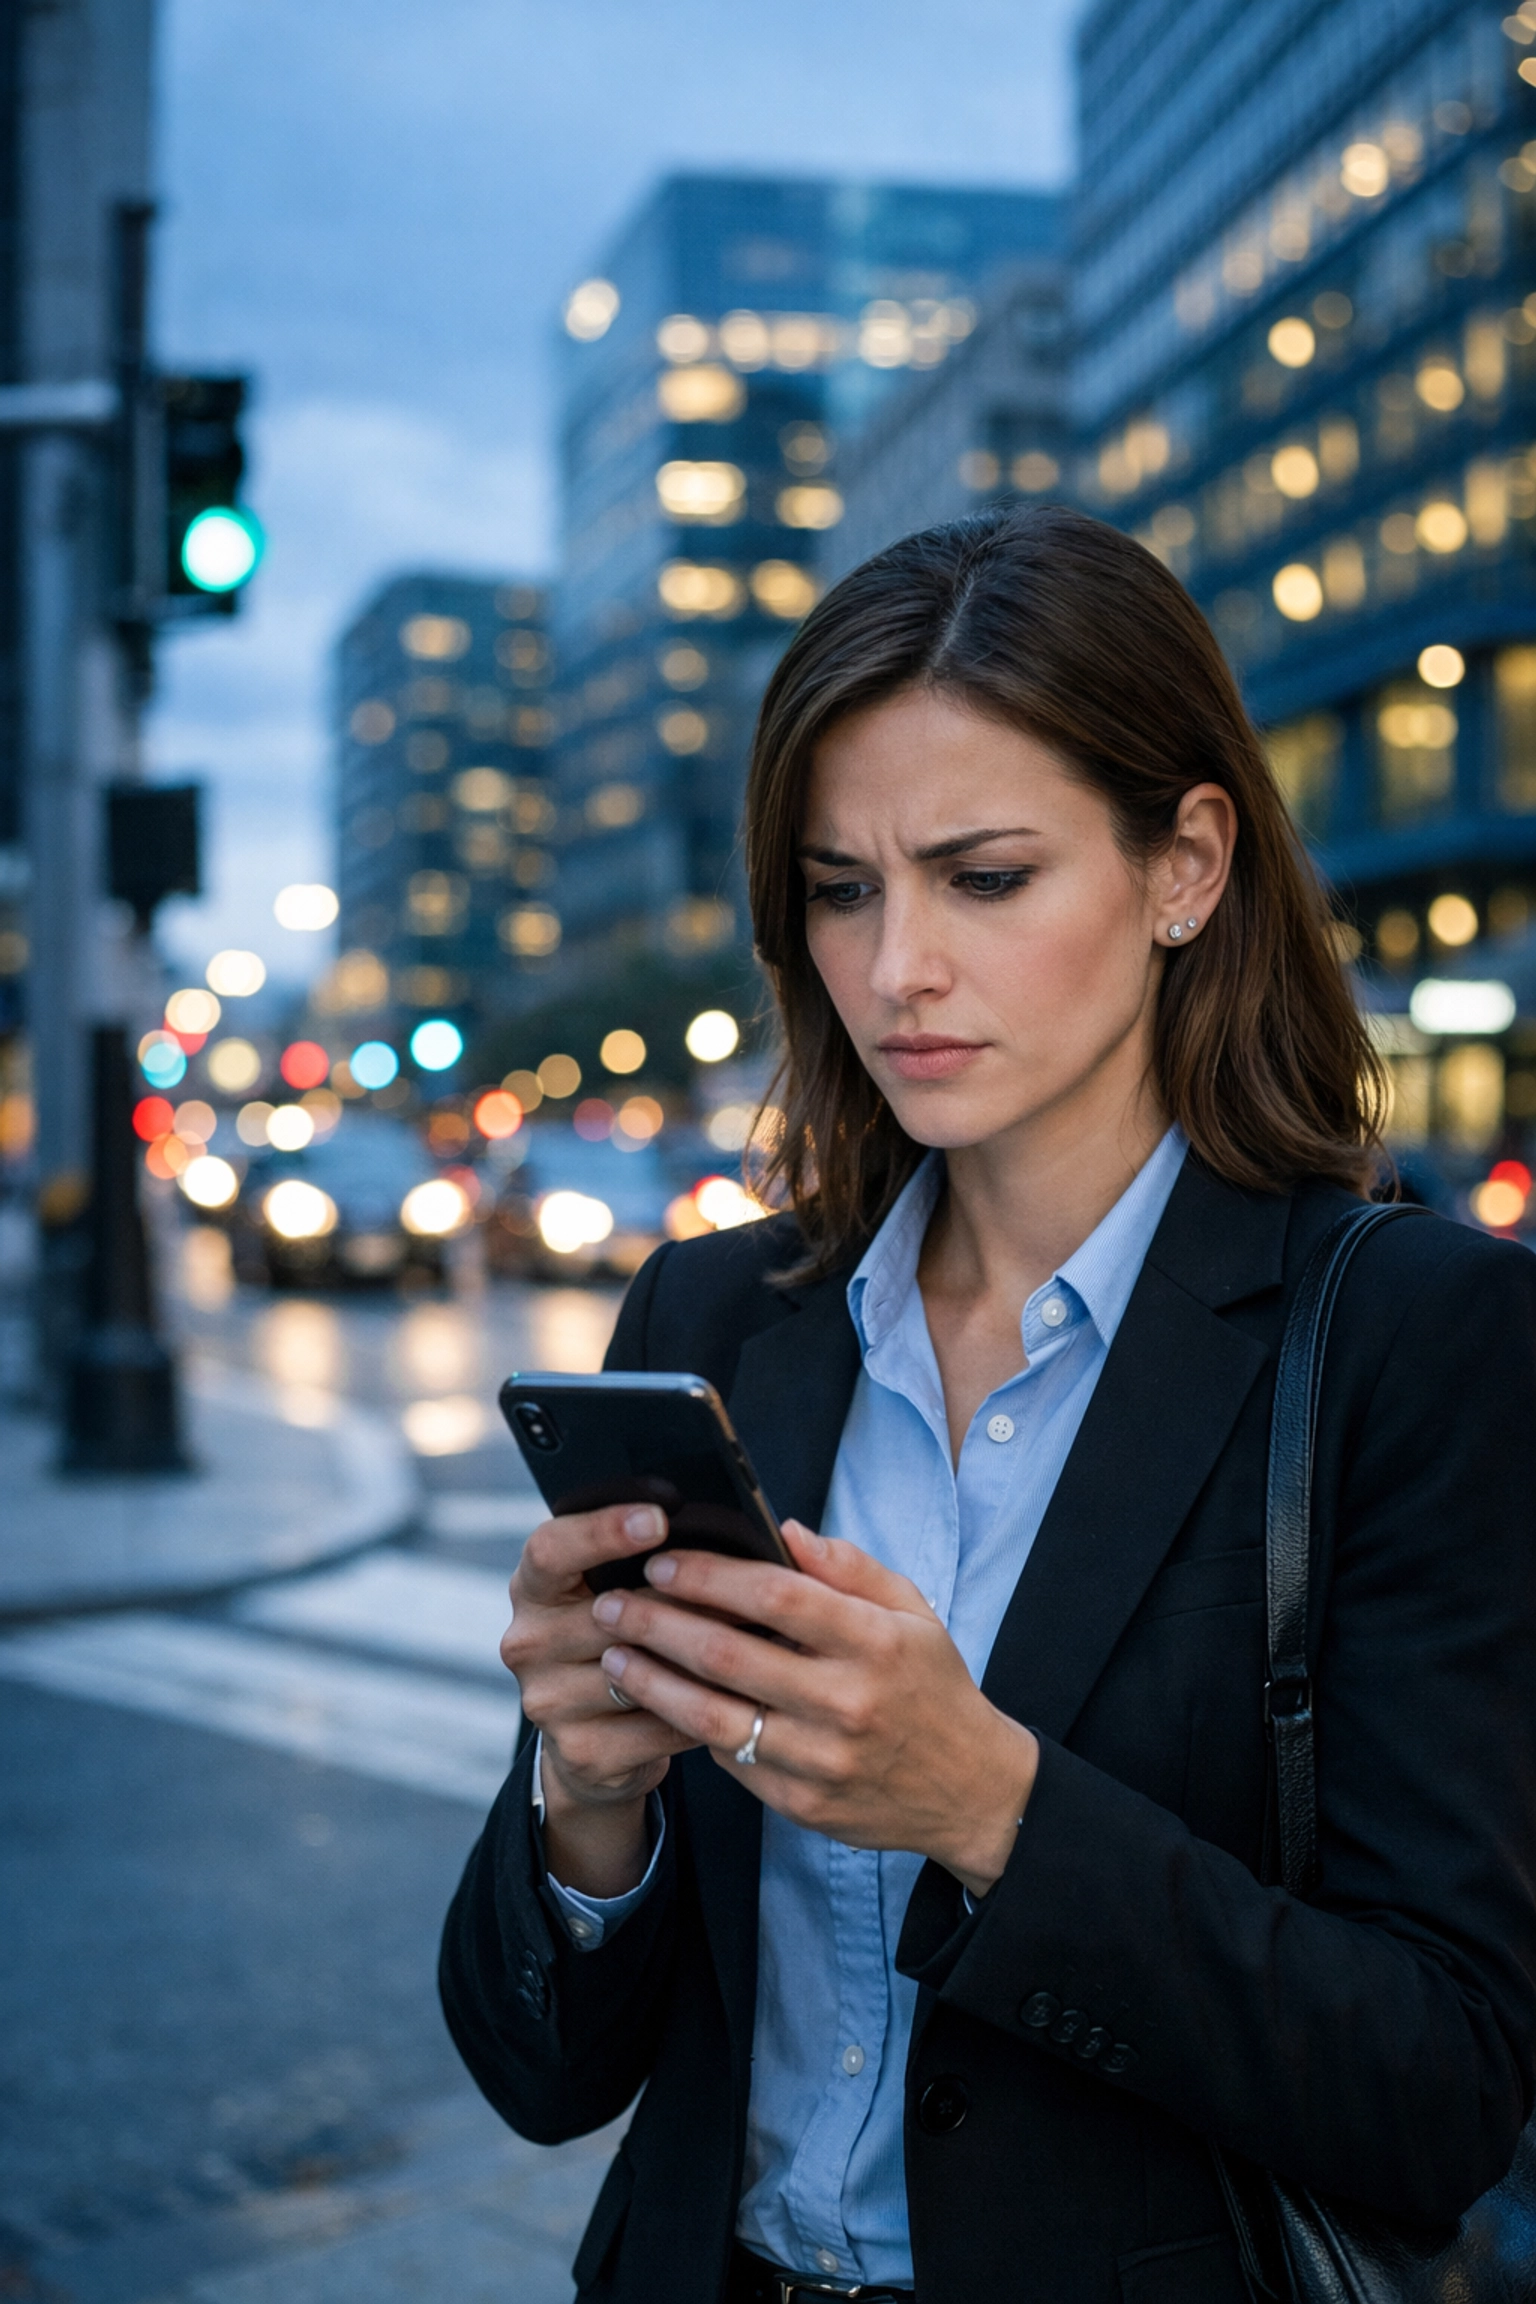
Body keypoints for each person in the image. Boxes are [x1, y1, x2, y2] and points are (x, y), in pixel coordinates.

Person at [440, 506, 1536, 2304]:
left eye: (987, 877)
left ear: (1186, 866)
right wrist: (589, 1800)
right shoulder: (719, 1314)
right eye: (842, 887)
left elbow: (1443, 2090)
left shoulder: (1414, 1336)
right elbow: (541, 2072)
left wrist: (991, 1804)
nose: (895, 971)